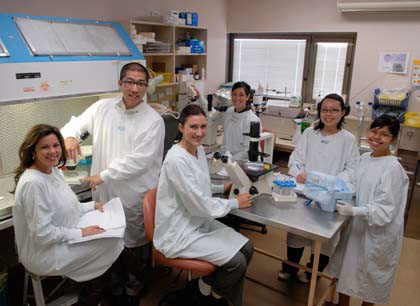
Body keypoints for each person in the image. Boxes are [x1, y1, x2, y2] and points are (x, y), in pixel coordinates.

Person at [61, 62, 165, 304]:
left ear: (146, 87)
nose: (135, 88)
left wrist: (104, 174)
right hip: (105, 195)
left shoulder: (153, 120)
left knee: (133, 246)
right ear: (120, 84)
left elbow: (139, 160)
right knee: (108, 243)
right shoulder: (103, 108)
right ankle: (115, 289)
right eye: (129, 82)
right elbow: (78, 123)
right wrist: (69, 136)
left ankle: (132, 291)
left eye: (141, 83)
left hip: (133, 196)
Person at [13, 124, 124, 306]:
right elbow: (43, 235)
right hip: (43, 253)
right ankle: (93, 298)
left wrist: (92, 206)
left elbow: (69, 206)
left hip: (61, 237)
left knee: (116, 240)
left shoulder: (53, 171)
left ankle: (98, 295)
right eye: (45, 147)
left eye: (56, 145)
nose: (52, 151)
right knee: (113, 244)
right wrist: (82, 233)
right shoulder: (33, 184)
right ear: (33, 151)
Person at [154, 104, 253, 306]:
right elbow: (198, 204)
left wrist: (220, 188)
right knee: (236, 262)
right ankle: (211, 294)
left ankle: (210, 290)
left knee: (248, 247)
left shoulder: (198, 151)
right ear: (181, 127)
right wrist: (235, 203)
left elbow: (200, 185)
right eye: (193, 127)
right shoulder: (176, 160)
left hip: (196, 222)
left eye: (203, 127)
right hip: (178, 231)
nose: (199, 133)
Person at [327, 115, 408, 306]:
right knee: (346, 269)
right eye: (374, 131)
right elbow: (354, 184)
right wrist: (334, 187)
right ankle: (342, 304)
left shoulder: (393, 168)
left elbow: (385, 209)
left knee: (370, 278)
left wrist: (354, 211)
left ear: (393, 139)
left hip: (378, 232)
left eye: (384, 135)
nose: (376, 137)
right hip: (357, 226)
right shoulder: (364, 158)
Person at [280, 93, 359, 283]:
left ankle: (311, 272)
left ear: (342, 113)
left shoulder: (348, 139)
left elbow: (352, 169)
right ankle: (290, 268)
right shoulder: (309, 133)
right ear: (319, 112)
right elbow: (296, 159)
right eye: (325, 110)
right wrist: (299, 172)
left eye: (334, 110)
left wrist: (329, 183)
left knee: (326, 239)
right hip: (306, 192)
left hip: (331, 197)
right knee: (296, 233)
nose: (329, 114)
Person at [194, 81, 262, 161]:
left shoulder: (252, 120)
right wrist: (200, 97)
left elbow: (247, 152)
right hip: (228, 159)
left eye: (241, 95)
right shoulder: (229, 111)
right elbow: (212, 116)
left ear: (247, 97)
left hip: (243, 163)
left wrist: (227, 160)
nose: (237, 98)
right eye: (234, 94)